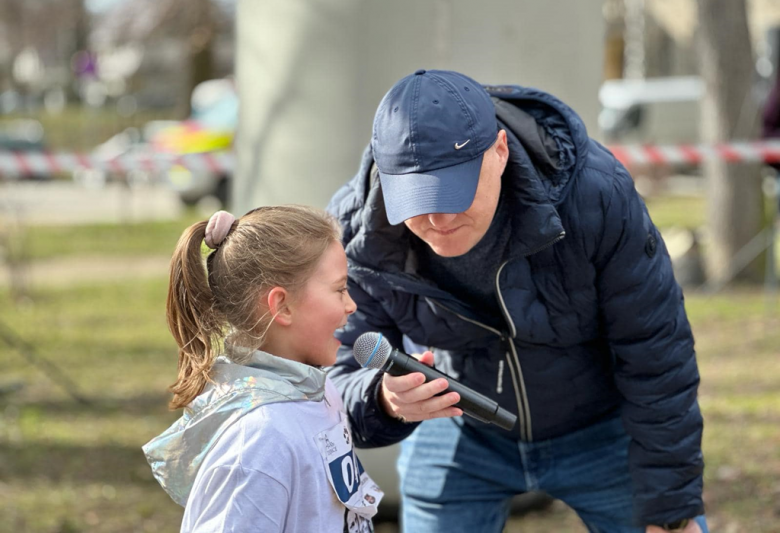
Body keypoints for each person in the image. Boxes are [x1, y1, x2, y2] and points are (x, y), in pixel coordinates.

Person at [327, 69, 709, 533]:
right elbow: (338, 375)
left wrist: (670, 508)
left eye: (454, 190)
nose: (438, 218)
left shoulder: (596, 194)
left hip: (603, 428)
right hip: (460, 429)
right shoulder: (355, 233)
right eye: (416, 198)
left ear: (501, 151)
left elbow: (656, 351)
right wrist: (383, 400)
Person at [143, 206, 383, 532]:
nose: (351, 304)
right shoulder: (257, 442)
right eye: (340, 289)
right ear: (281, 305)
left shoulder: (319, 391)